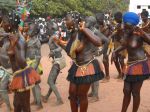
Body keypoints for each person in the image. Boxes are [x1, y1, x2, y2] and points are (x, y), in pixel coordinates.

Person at [54, 12, 106, 112]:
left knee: (82, 95)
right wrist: (60, 43)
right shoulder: (73, 34)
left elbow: (99, 42)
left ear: (74, 21)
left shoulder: (84, 31)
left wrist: (84, 29)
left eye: (67, 19)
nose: (65, 22)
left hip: (87, 66)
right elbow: (71, 53)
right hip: (77, 66)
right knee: (72, 93)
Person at [111, 12, 150, 112]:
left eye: (129, 27)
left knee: (135, 92)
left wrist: (143, 33)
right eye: (126, 26)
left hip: (139, 64)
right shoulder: (126, 32)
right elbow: (125, 45)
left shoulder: (139, 33)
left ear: (134, 26)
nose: (126, 29)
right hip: (129, 65)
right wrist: (115, 51)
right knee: (126, 90)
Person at [85, 16, 109, 102]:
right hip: (91, 55)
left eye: (86, 21)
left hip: (96, 55)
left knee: (95, 75)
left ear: (91, 23)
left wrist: (102, 52)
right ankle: (93, 92)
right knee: (91, 74)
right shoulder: (88, 31)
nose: (85, 22)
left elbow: (107, 40)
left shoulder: (96, 32)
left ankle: (96, 96)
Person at [42, 21, 66, 105]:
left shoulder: (54, 37)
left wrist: (53, 52)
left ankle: (59, 99)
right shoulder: (51, 37)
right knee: (53, 80)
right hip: (57, 60)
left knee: (50, 81)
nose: (46, 29)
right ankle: (47, 97)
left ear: (51, 29)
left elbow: (61, 48)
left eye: (47, 28)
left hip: (58, 61)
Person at [25, 23, 43, 110]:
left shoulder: (37, 41)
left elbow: (39, 56)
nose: (28, 30)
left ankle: (40, 103)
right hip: (29, 63)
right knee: (32, 83)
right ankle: (35, 100)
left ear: (35, 31)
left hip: (35, 64)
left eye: (30, 29)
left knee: (35, 84)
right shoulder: (29, 40)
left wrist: (34, 67)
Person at [111, 12, 126, 79]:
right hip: (116, 43)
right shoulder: (118, 24)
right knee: (115, 59)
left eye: (116, 18)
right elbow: (115, 33)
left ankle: (123, 74)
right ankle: (120, 73)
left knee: (121, 60)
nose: (115, 19)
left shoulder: (123, 24)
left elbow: (122, 30)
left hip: (122, 44)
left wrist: (116, 31)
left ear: (120, 18)